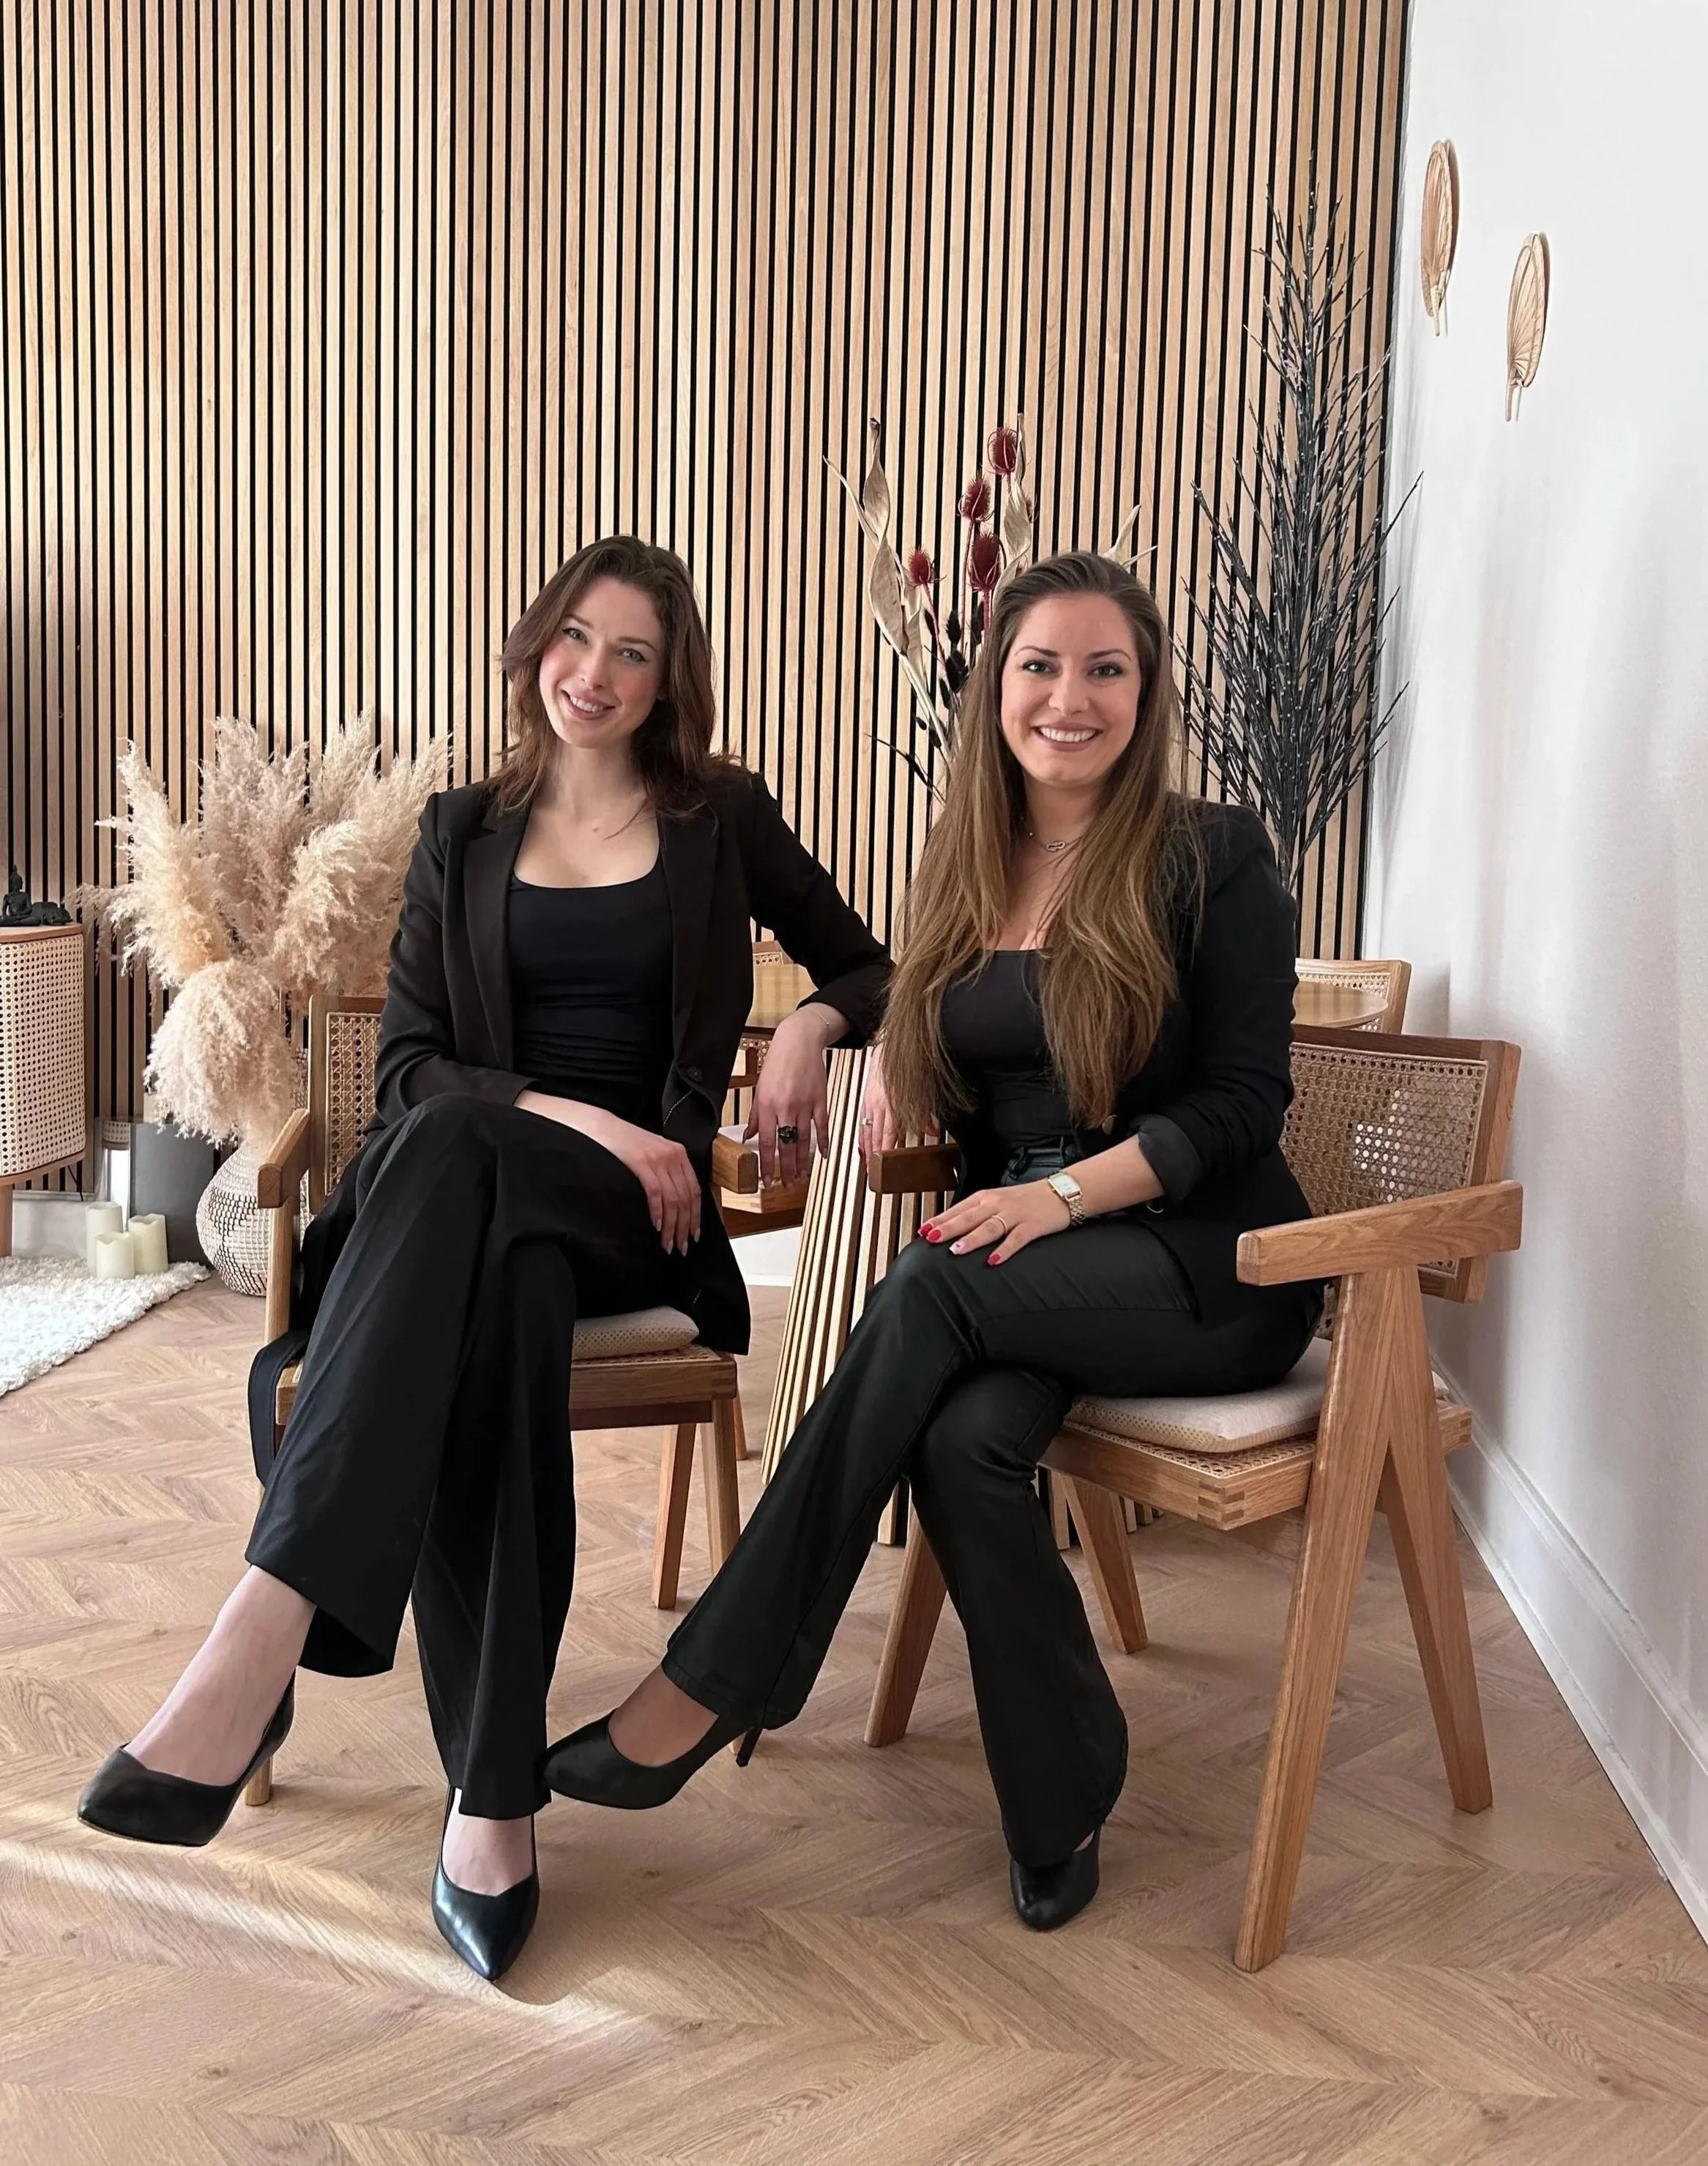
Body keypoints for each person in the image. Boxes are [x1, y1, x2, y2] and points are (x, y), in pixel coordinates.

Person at [75, 536, 890, 1981]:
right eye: (575, 639)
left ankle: (268, 1628)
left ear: (667, 679)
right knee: (491, 1262)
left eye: (632, 652)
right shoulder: (460, 830)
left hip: (634, 1226)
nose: (594, 673)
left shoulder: (722, 819)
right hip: (493, 1202)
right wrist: (592, 1119)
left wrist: (816, 1028)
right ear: (534, 647)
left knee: (464, 1181)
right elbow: (406, 1079)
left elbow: (870, 963)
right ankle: (493, 1798)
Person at [542, 551, 1323, 1933]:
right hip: (1015, 1257)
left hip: (1210, 1258)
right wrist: (859, 1031)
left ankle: (715, 1677)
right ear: (993, 690)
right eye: (1038, 666)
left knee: (929, 1288)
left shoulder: (1217, 856)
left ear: (1145, 696)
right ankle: (1064, 1785)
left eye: (1104, 669)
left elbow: (1247, 1103)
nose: (1067, 698)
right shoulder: (969, 865)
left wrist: (1064, 1197)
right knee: (963, 1440)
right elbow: (921, 1026)